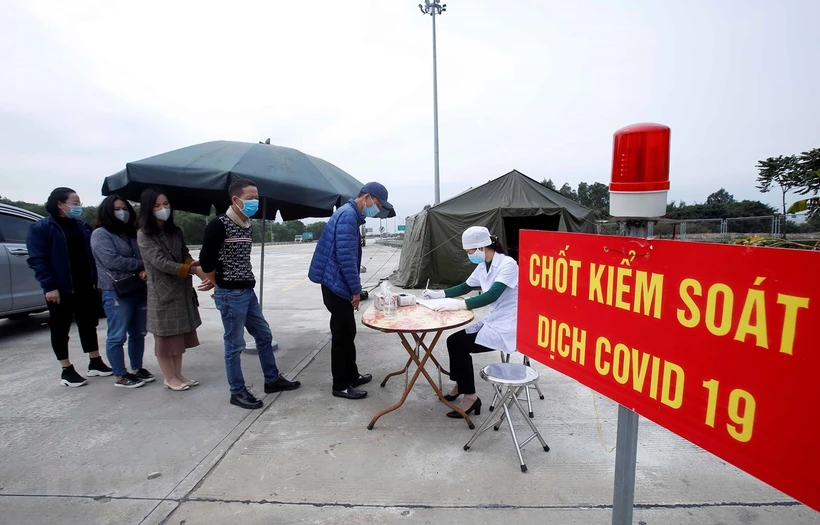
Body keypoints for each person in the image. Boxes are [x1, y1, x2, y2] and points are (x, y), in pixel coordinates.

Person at [199, 178, 301, 409]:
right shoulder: (219, 225)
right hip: (231, 294)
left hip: (247, 291)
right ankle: (237, 391)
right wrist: (219, 285)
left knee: (264, 336)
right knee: (234, 345)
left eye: (257, 198)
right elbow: (206, 261)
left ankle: (272, 379)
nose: (255, 202)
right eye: (250, 198)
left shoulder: (247, 224)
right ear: (235, 200)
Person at [308, 182, 394, 400]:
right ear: (367, 197)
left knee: (348, 332)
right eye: (377, 203)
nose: (377, 208)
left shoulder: (349, 215)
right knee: (342, 336)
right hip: (337, 285)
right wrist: (356, 291)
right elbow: (346, 259)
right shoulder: (347, 217)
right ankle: (341, 385)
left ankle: (352, 375)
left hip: (335, 283)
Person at [423, 226, 519, 418]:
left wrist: (459, 306)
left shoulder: (508, 265)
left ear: (482, 247)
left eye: (470, 252)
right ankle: (460, 385)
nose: (469, 256)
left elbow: (492, 295)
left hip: (509, 324)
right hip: (494, 319)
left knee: (459, 344)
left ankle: (471, 397)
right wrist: (438, 294)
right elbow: (466, 286)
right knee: (453, 341)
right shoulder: (483, 265)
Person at [26, 187, 113, 387]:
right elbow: (37, 260)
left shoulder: (82, 227)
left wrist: (97, 280)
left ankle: (95, 361)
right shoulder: (42, 228)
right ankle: (66, 369)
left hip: (85, 284)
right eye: (74, 203)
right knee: (60, 327)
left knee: (88, 323)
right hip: (60, 287)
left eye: (79, 202)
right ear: (60, 204)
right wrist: (49, 286)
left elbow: (93, 257)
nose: (78, 206)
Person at [137, 188, 209, 391]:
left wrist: (191, 263)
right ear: (148, 209)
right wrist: (192, 269)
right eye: (157, 205)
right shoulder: (144, 234)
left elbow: (184, 253)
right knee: (166, 340)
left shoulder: (175, 231)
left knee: (179, 339)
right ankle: (169, 377)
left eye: (166, 204)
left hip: (181, 291)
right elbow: (161, 263)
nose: (163, 209)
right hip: (163, 293)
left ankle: (178, 374)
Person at [91, 195, 154, 389]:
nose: (122, 212)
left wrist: (143, 268)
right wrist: (142, 265)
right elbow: (113, 261)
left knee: (138, 333)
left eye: (125, 208)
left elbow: (143, 253)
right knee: (117, 335)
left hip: (137, 288)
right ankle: (120, 374)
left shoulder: (132, 233)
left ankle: (137, 368)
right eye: (117, 209)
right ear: (108, 212)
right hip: (116, 291)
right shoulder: (101, 234)